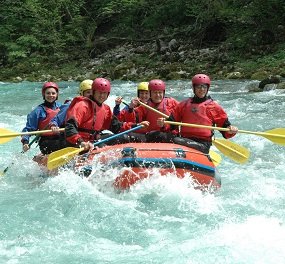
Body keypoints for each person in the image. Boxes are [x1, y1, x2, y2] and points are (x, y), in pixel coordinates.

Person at [157, 74, 238, 153]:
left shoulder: (214, 107)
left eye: (204, 87)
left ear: (207, 88)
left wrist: (231, 130)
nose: (202, 89)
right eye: (199, 86)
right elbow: (171, 123)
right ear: (193, 88)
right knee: (159, 135)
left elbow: (225, 128)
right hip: (184, 139)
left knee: (176, 140)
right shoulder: (184, 105)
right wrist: (164, 124)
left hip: (202, 144)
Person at [64, 77, 149, 152]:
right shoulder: (82, 105)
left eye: (104, 93)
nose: (102, 96)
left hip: (94, 140)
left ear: (108, 94)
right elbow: (70, 127)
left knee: (127, 137)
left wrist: (136, 125)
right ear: (93, 92)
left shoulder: (106, 109)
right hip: (80, 143)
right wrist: (81, 142)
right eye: (99, 92)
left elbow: (117, 126)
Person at [21, 82, 63, 155]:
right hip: (46, 141)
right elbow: (28, 130)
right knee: (58, 144)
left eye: (53, 93)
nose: (51, 95)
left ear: (57, 95)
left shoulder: (61, 107)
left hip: (61, 137)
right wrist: (25, 143)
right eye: (48, 93)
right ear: (44, 94)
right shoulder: (38, 111)